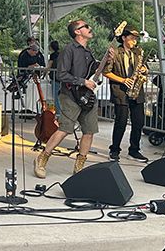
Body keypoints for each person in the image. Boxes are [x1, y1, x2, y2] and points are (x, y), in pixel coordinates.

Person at [33, 20, 112, 178]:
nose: (90, 28)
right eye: (86, 26)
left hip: (87, 95)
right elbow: (61, 74)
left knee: (89, 131)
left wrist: (108, 61)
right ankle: (42, 157)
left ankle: (80, 164)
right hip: (70, 94)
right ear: (77, 32)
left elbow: (95, 70)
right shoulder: (69, 50)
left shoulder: (88, 51)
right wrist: (83, 82)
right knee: (64, 129)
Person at [103, 27, 149, 162]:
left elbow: (145, 69)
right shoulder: (116, 52)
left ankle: (134, 150)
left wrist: (144, 70)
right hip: (121, 91)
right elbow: (106, 72)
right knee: (121, 122)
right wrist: (123, 80)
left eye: (136, 39)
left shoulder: (138, 52)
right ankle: (114, 150)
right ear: (123, 38)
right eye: (132, 38)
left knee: (138, 122)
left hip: (137, 91)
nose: (134, 41)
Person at [46, 40, 61, 116]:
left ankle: (58, 113)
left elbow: (49, 66)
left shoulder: (53, 55)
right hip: (62, 78)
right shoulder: (62, 54)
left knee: (55, 97)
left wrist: (44, 73)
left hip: (55, 78)